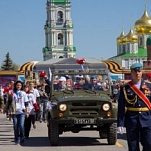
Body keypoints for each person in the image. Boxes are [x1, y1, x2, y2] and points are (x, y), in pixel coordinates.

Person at [117, 63, 151, 151]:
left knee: (149, 143)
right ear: (131, 73)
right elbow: (121, 107)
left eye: (139, 71)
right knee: (133, 147)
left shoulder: (149, 86)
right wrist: (120, 123)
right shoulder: (125, 88)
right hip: (132, 120)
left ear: (142, 72)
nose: (137, 73)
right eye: (135, 71)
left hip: (147, 119)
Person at [4, 81, 29, 145]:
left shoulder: (23, 93)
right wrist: (5, 109)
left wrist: (27, 111)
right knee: (15, 126)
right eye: (17, 85)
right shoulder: (11, 92)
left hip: (22, 111)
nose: (18, 86)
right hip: (14, 112)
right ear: (15, 86)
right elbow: (8, 102)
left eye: (20, 85)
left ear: (21, 86)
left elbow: (26, 103)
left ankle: (22, 137)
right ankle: (17, 139)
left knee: (21, 125)